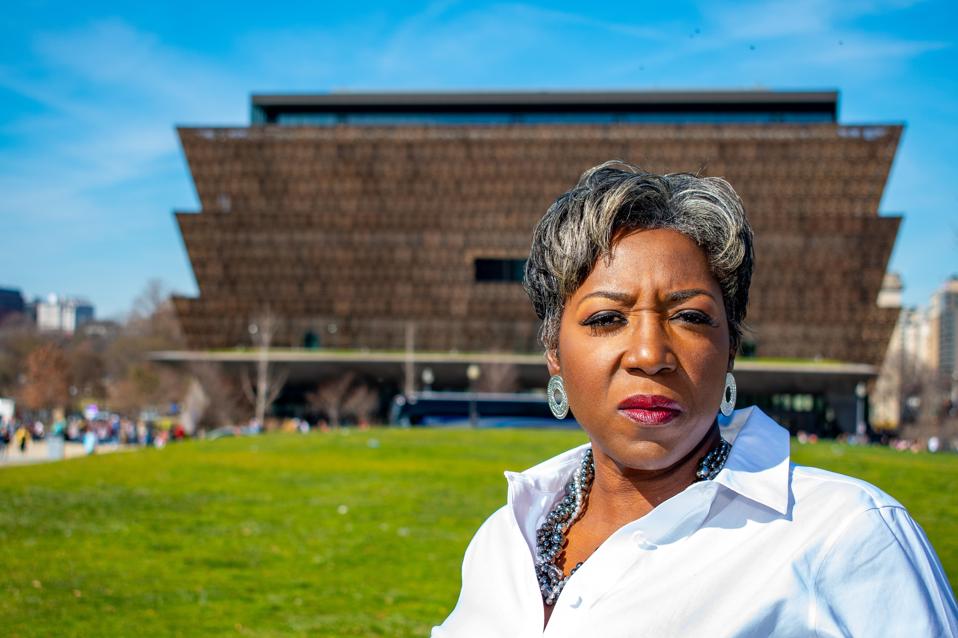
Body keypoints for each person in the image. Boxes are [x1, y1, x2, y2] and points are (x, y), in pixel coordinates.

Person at [433, 162, 957, 636]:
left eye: (689, 317)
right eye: (607, 318)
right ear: (554, 352)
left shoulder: (848, 534)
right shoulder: (504, 538)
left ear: (730, 348)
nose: (649, 354)